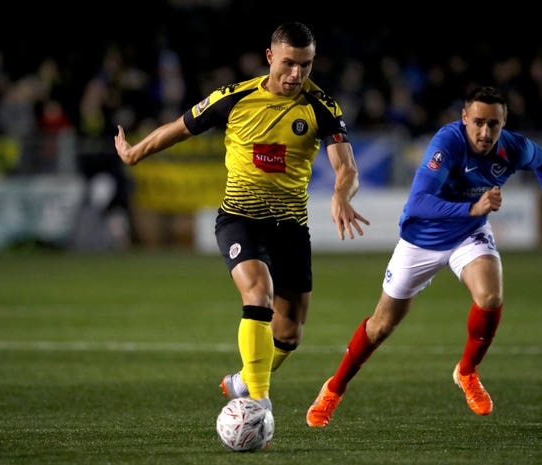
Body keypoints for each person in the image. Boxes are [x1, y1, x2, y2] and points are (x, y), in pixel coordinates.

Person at [114, 22, 369, 412]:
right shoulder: (235, 97)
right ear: (270, 57)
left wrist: (340, 193)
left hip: (291, 227)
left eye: (306, 65)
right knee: (258, 292)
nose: (296, 74)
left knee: (290, 332)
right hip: (240, 217)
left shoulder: (321, 106)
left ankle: (244, 380)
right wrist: (135, 153)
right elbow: (181, 128)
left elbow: (347, 167)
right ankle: (259, 404)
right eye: (288, 63)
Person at [306, 86, 542, 427]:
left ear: (504, 122)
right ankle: (334, 388)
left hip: (469, 235)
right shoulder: (447, 143)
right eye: (478, 122)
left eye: (493, 124)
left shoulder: (515, 148)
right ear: (464, 119)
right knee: (381, 327)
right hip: (421, 240)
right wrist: (472, 207)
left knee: (491, 296)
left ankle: (467, 372)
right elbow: (418, 201)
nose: (485, 132)